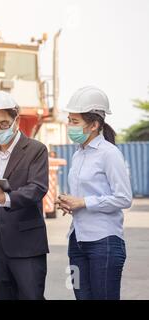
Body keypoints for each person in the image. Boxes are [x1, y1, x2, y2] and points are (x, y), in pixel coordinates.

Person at [0, 90, 49, 300]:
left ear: (16, 120)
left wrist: (4, 198)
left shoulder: (36, 150)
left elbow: (37, 188)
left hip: (27, 245)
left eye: (4, 124)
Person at [55, 86, 132, 300]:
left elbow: (124, 198)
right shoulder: (78, 155)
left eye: (74, 121)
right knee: (81, 297)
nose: (69, 125)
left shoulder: (109, 154)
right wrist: (69, 203)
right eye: (69, 120)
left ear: (94, 125)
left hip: (103, 243)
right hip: (77, 241)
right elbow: (83, 198)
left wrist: (83, 202)